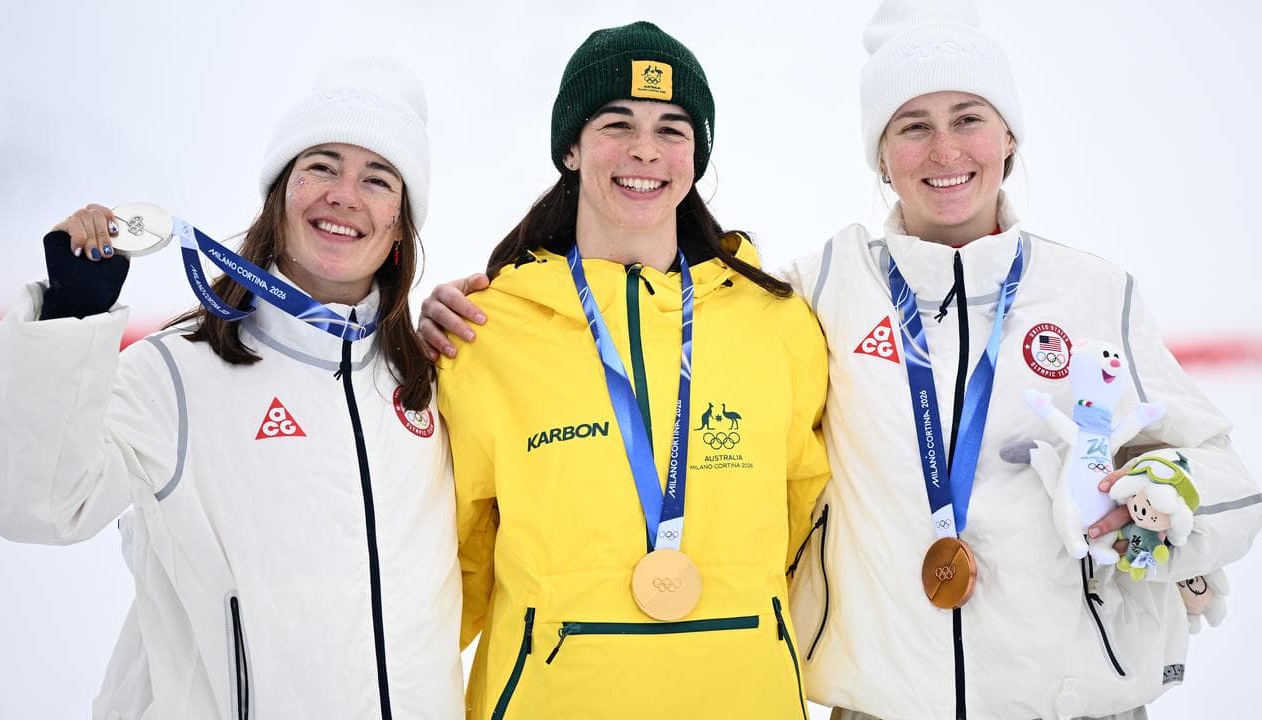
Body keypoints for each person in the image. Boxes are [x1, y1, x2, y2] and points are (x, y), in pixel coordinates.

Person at [420, 3, 1261, 719]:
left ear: (1008, 136)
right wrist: (443, 317)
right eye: (912, 126)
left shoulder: (1092, 292)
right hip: (881, 704)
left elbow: (1222, 476)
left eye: (968, 118)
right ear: (879, 154)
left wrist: (1174, 512)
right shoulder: (822, 292)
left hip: (1073, 704)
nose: (944, 151)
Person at [0, 58, 463, 719]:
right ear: (280, 195)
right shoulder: (177, 373)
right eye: (321, 166)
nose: (345, 195)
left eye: (377, 179)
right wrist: (70, 314)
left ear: (401, 225)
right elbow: (32, 502)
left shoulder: (429, 383)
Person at [433, 21, 829, 720]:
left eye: (672, 129)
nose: (645, 149)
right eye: (617, 124)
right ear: (571, 148)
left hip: (745, 697)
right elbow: (452, 560)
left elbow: (807, 518)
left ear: (695, 157)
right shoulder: (487, 331)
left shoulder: (779, 324)